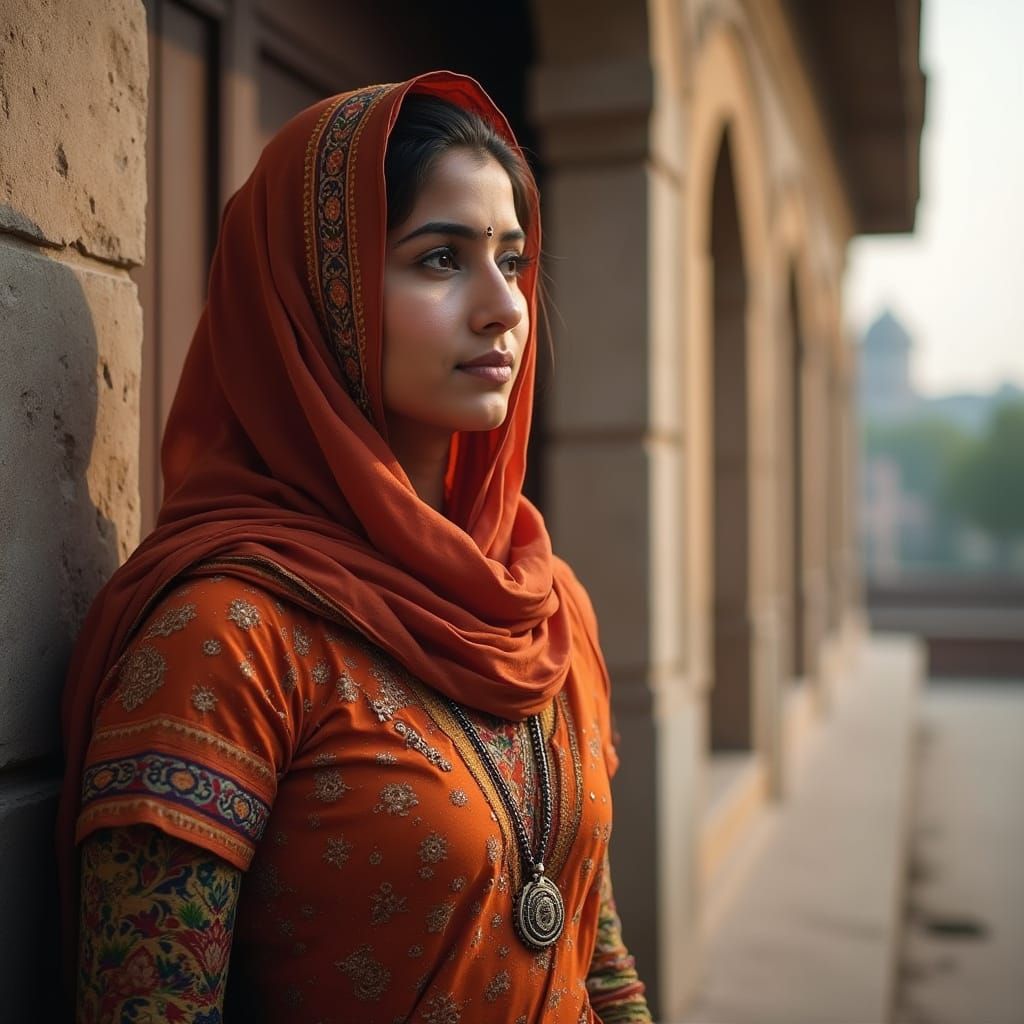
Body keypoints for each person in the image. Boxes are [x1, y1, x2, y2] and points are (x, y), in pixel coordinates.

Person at [57, 71, 651, 1023]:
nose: (504, 305)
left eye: (512, 256)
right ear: (320, 293)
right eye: (440, 259)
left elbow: (597, 950)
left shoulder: (543, 602)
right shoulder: (225, 638)